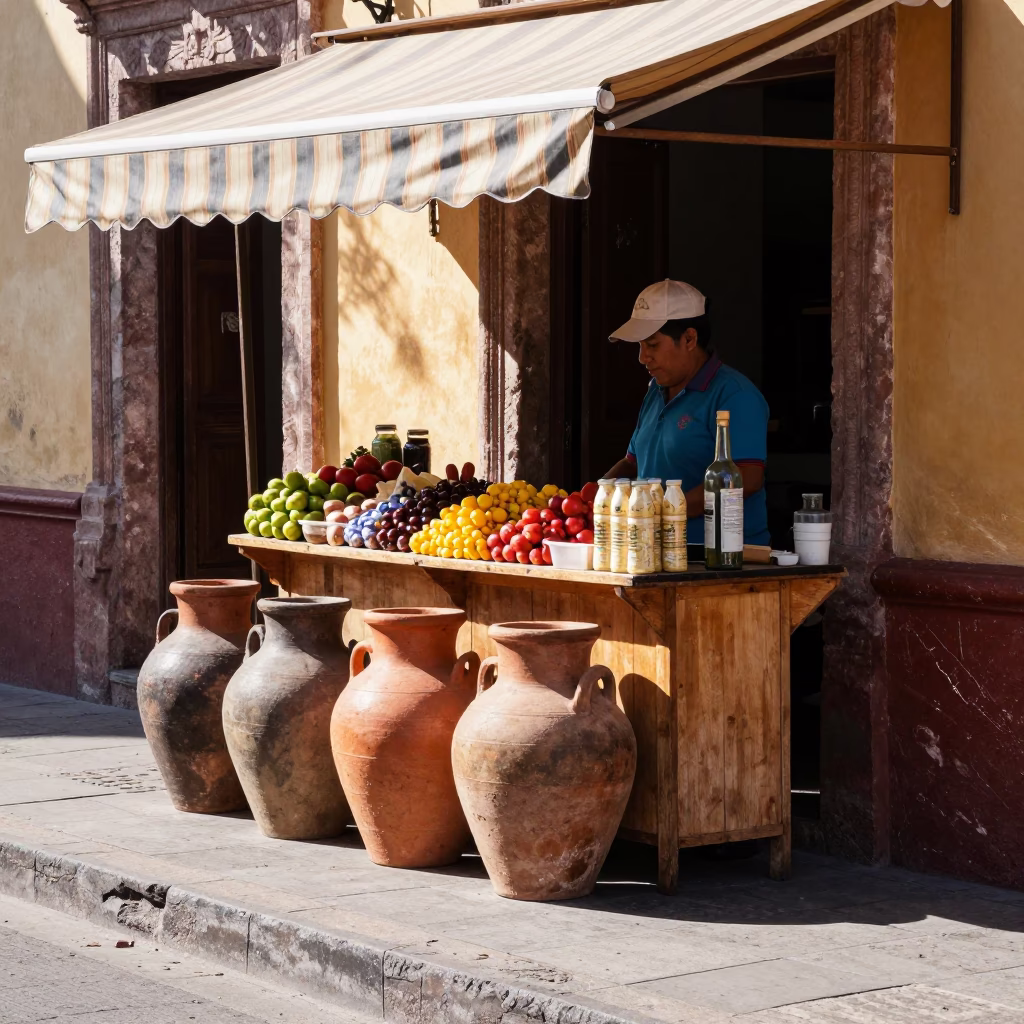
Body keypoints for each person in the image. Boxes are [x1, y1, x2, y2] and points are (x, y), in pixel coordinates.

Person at [604, 279, 770, 546]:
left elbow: (746, 480)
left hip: (720, 559)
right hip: (654, 550)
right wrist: (595, 495)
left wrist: (661, 509)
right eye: (640, 346)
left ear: (690, 338)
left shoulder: (735, 395)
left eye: (653, 345)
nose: (642, 357)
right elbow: (633, 463)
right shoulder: (655, 390)